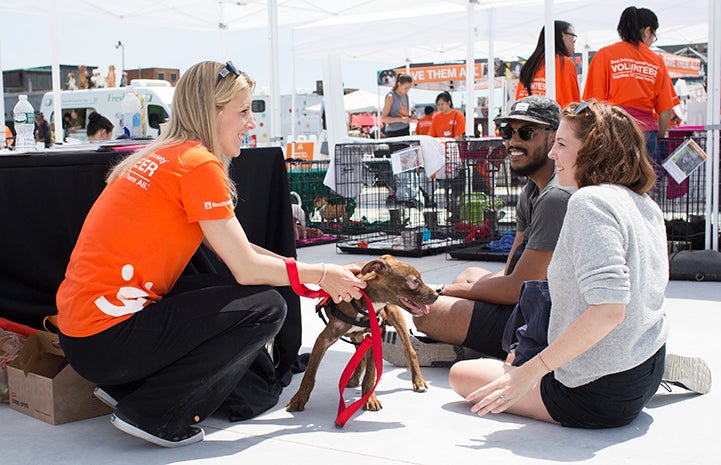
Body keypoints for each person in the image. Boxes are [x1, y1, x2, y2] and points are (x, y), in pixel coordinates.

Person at [55, 60, 366, 448]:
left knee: (227, 287)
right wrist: (320, 276)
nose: (251, 123)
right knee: (267, 306)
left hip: (85, 339)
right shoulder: (197, 165)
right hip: (108, 340)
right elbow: (247, 266)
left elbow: (237, 248)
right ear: (211, 112)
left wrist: (320, 272)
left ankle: (130, 389)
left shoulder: (165, 155)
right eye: (243, 111)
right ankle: (154, 414)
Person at [448, 99, 671, 428]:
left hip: (597, 393)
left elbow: (609, 309)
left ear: (595, 150)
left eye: (562, 145)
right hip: (647, 366)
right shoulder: (644, 204)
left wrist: (530, 372)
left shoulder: (589, 202)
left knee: (462, 375)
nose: (553, 155)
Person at [410, 96, 573, 360]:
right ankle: (468, 339)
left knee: (427, 314)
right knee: (469, 274)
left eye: (526, 132)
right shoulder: (532, 190)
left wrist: (443, 291)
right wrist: (463, 290)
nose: (513, 142)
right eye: (508, 132)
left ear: (554, 138)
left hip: (546, 320)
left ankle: (469, 343)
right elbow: (511, 271)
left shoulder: (555, 197)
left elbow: (516, 288)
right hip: (531, 301)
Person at [582, 6, 679, 161]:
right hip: (646, 132)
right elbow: (666, 110)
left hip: (613, 129)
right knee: (644, 182)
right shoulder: (656, 61)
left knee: (613, 180)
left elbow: (593, 102)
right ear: (647, 31)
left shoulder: (605, 54)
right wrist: (659, 137)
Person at [516, 20, 580, 109]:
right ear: (562, 35)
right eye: (572, 36)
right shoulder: (564, 63)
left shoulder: (530, 63)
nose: (574, 41)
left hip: (526, 119)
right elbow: (571, 105)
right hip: (553, 120)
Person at [381, 72, 413, 137]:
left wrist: (410, 117)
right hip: (394, 132)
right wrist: (401, 119)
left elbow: (403, 113)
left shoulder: (405, 96)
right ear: (399, 85)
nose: (407, 90)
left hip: (406, 129)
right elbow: (384, 118)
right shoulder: (391, 96)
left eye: (409, 88)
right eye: (406, 88)